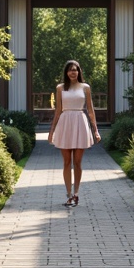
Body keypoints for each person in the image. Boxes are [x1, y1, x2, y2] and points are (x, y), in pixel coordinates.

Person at [47, 59, 100, 207]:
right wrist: (51, 131)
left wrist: (96, 130)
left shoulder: (85, 88)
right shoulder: (60, 88)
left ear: (79, 72)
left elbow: (90, 110)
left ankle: (76, 193)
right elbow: (58, 111)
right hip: (65, 123)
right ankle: (68, 194)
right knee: (66, 162)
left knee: (77, 162)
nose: (72, 72)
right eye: (70, 70)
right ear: (66, 72)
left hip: (80, 123)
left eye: (75, 69)